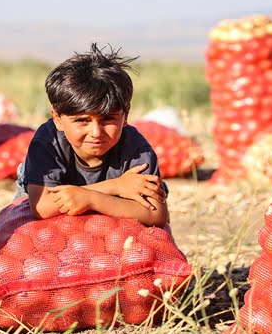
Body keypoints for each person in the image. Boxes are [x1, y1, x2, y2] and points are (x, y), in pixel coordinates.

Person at [13, 43, 169, 227]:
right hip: (44, 206)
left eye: (108, 119)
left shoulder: (136, 150)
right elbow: (43, 208)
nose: (96, 133)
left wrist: (92, 199)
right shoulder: (47, 142)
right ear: (57, 119)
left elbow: (157, 215)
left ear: (125, 115)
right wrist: (115, 187)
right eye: (82, 121)